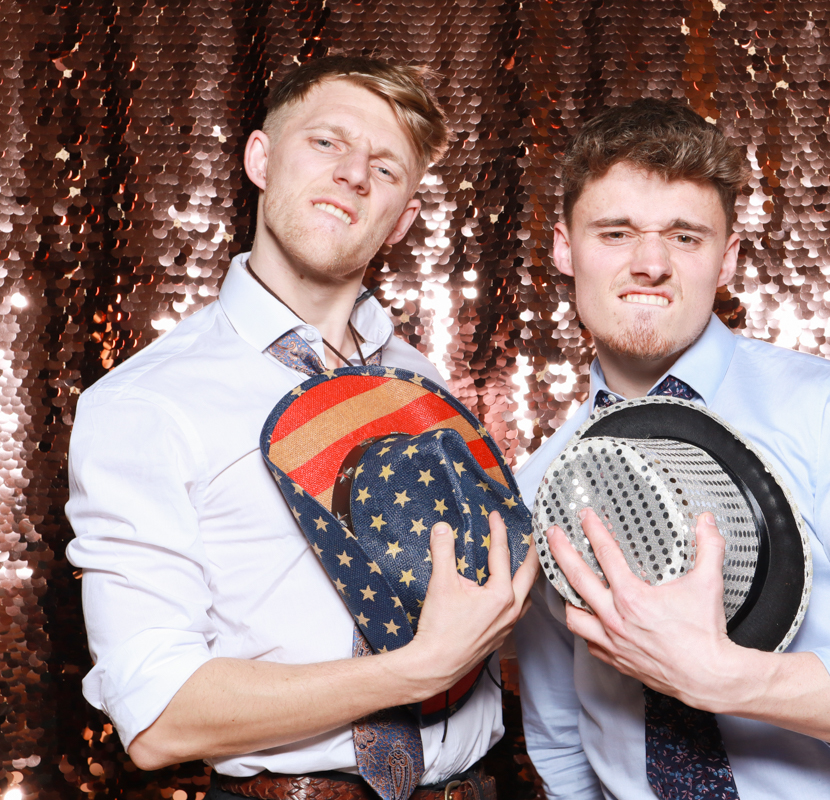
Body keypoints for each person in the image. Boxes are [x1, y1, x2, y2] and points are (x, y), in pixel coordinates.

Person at [513, 98, 830, 799]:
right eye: (616, 232)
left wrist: (732, 680)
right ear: (564, 247)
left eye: (686, 237)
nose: (650, 263)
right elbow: (565, 736)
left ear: (728, 258)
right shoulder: (542, 481)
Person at [65, 56, 536, 799]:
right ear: (260, 157)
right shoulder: (145, 403)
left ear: (405, 216)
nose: (353, 174)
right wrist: (415, 670)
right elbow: (158, 720)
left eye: (385, 168)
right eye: (326, 143)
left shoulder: (423, 387)